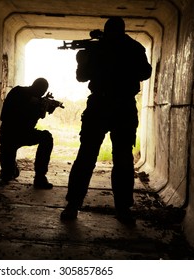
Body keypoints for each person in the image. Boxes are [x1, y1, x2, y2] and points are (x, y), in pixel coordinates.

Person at [60, 17, 152, 225]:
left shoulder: (99, 48)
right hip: (123, 107)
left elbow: (82, 77)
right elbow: (145, 72)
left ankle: (73, 205)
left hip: (100, 105)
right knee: (122, 159)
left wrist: (82, 60)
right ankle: (123, 209)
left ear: (105, 31)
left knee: (87, 156)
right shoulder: (134, 47)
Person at [0, 77, 56, 189]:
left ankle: (40, 177)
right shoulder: (19, 92)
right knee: (8, 175)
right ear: (35, 87)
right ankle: (11, 169)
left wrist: (44, 107)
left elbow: (40, 115)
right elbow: (5, 115)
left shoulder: (37, 99)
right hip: (10, 134)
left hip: (25, 133)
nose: (41, 94)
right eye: (41, 91)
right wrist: (35, 104)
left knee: (46, 137)